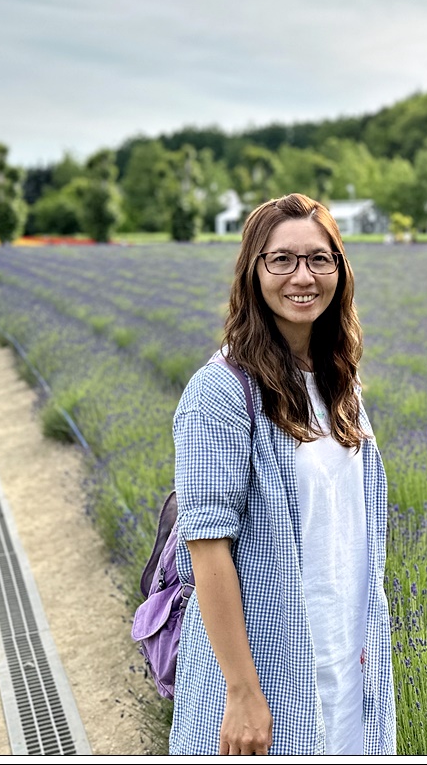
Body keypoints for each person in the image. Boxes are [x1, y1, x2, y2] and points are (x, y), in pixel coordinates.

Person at [169, 193, 396, 755]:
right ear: (254, 270)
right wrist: (242, 692)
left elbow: (348, 530)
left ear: (340, 271)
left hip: (349, 664)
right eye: (282, 260)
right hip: (271, 673)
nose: (303, 276)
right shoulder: (221, 391)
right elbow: (206, 545)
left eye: (320, 259)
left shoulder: (339, 383)